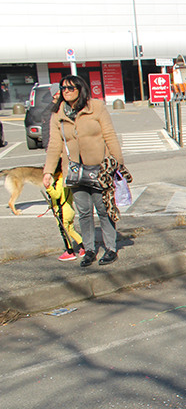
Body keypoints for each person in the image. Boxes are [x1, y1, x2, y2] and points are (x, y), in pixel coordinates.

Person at [43, 75, 125, 267]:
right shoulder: (58, 114)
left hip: (99, 168)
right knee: (84, 212)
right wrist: (48, 171)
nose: (66, 91)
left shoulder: (95, 107)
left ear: (80, 88)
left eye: (71, 87)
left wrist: (117, 162)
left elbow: (109, 135)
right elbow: (54, 144)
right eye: (63, 88)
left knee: (104, 209)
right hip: (73, 170)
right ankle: (89, 250)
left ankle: (111, 248)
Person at [45, 166, 84, 261]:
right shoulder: (66, 179)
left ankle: (70, 251)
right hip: (69, 208)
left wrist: (49, 188)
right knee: (71, 230)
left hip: (62, 211)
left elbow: (57, 195)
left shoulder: (59, 181)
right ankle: (83, 246)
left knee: (64, 232)